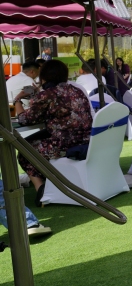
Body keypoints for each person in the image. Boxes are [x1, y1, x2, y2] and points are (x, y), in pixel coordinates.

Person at [13, 60, 93, 206]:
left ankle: (41, 189)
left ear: (44, 76)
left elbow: (25, 119)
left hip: (64, 145)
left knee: (24, 152)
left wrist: (17, 100)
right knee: (30, 142)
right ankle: (50, 184)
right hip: (86, 141)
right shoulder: (76, 90)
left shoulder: (47, 95)